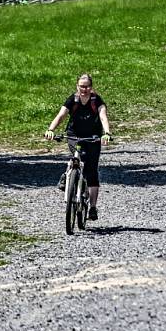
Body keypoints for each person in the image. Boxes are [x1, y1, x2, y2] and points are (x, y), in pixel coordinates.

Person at [44, 73, 112, 221]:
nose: (84, 89)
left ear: (91, 87)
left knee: (91, 170)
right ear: (77, 86)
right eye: (81, 86)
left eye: (87, 86)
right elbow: (61, 115)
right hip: (74, 134)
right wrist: (51, 129)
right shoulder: (73, 99)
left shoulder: (96, 100)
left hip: (93, 137)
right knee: (76, 157)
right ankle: (68, 175)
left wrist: (106, 133)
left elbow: (103, 116)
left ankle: (92, 207)